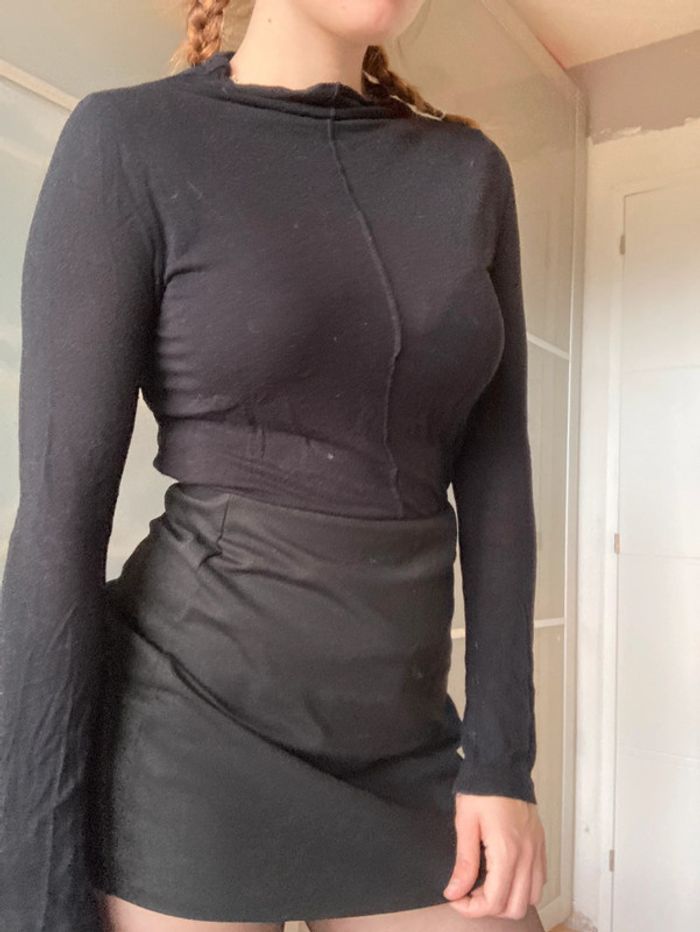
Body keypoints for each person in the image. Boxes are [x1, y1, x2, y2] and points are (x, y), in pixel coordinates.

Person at [0, 0, 548, 930]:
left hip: (406, 744)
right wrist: (34, 883)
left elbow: (499, 482)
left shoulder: (469, 173)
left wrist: (503, 759)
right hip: (188, 739)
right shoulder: (130, 140)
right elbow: (57, 521)